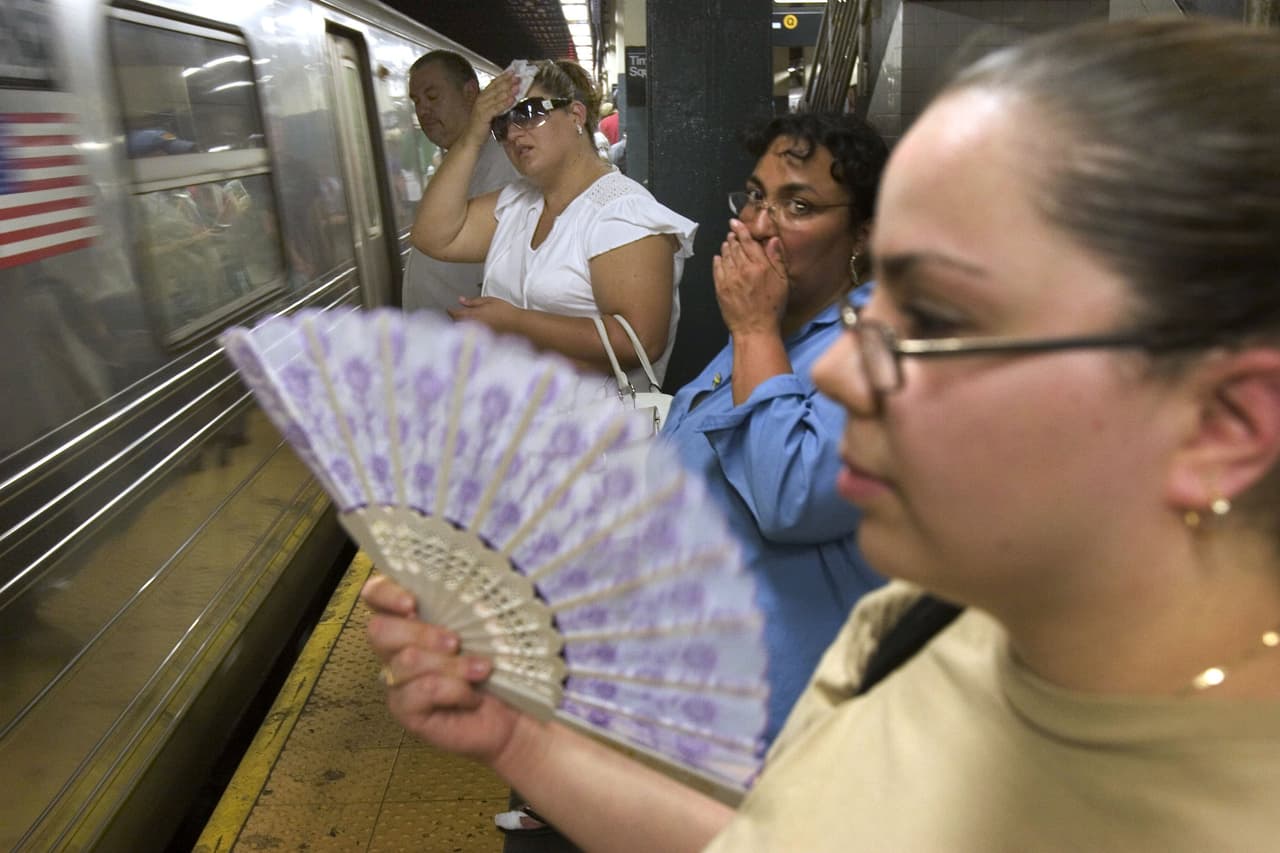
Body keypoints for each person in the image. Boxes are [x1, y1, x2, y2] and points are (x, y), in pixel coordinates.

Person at [364, 18, 1280, 851]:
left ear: (1224, 425)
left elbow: (789, 486)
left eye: (942, 318)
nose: (837, 371)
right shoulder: (922, 633)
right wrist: (524, 735)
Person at [661, 112, 887, 743]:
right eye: (758, 196)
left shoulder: (873, 344)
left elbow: (791, 500)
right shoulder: (779, 320)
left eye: (799, 205)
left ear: (863, 233)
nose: (759, 224)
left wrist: (754, 328)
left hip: (788, 717)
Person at [411, 59, 695, 395]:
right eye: (501, 125)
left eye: (529, 113)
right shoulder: (518, 203)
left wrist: (514, 325)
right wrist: (474, 133)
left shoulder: (622, 212)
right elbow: (433, 236)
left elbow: (639, 343)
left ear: (576, 116)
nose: (514, 133)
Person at [402, 50, 519, 313]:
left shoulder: (506, 165)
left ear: (470, 93)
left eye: (432, 97)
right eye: (416, 101)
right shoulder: (453, 163)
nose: (422, 110)